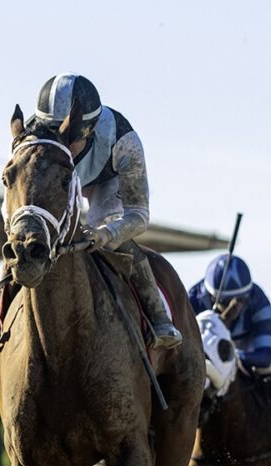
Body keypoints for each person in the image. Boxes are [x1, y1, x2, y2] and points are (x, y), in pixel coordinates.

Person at [32, 73, 181, 349]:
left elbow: (138, 214)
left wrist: (107, 233)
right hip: (56, 180)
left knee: (105, 232)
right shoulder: (29, 139)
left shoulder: (124, 140)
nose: (60, 142)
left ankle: (158, 315)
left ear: (89, 130)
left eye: (67, 135)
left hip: (104, 183)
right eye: (52, 133)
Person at [189, 255, 271, 443]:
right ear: (212, 296)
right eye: (227, 303)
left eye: (239, 302)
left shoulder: (259, 301)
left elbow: (263, 356)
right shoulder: (193, 300)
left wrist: (230, 358)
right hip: (205, 352)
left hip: (245, 348)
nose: (234, 308)